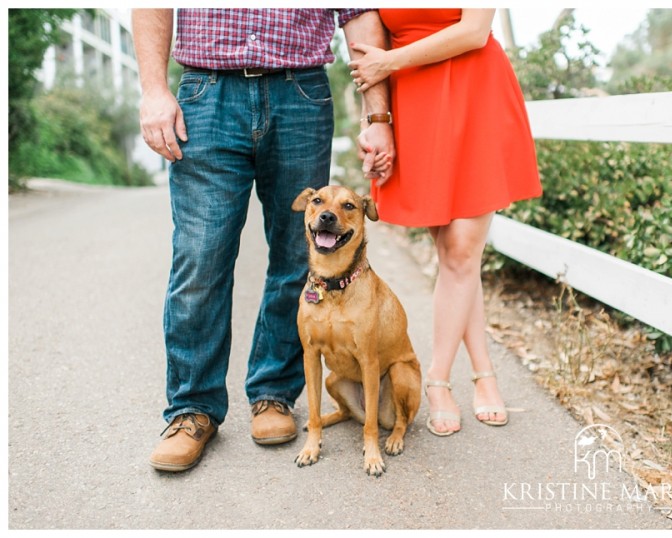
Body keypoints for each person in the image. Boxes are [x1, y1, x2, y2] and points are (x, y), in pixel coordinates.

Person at [132, 8, 394, 472]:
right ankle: (192, 409)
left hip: (301, 93)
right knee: (200, 256)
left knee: (301, 257)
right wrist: (153, 88)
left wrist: (378, 114)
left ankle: (273, 392)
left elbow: (359, 14)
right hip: (206, 93)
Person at [349, 8, 542, 436]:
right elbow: (365, 40)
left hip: (474, 90)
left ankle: (436, 379)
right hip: (416, 101)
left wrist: (391, 61)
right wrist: (374, 122)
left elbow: (473, 31)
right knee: (453, 253)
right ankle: (484, 373)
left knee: (460, 250)